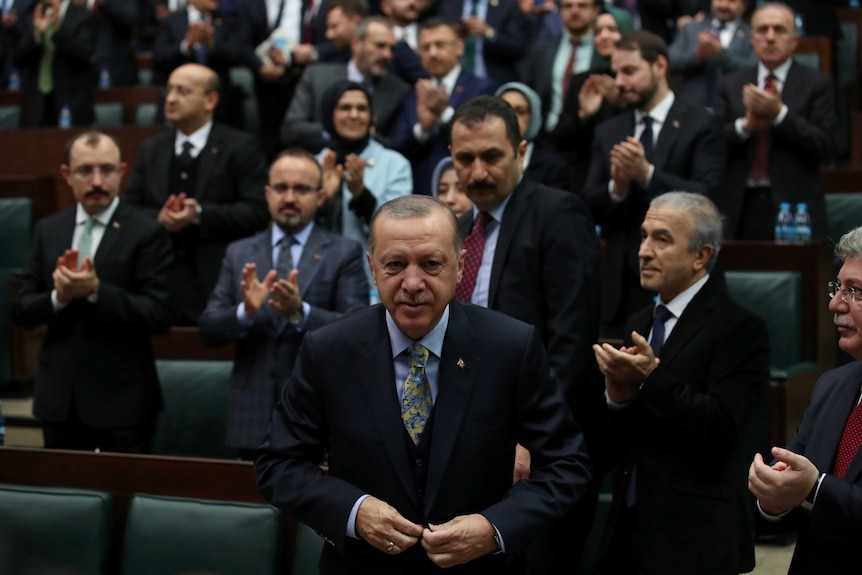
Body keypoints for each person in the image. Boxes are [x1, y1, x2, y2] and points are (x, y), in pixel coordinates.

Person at [255, 194, 592, 573]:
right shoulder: (328, 350)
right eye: (395, 265)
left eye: (431, 264)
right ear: (372, 268)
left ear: (460, 266)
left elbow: (566, 465)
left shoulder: (510, 347)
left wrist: (495, 528)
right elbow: (279, 464)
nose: (412, 283)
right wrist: (354, 511)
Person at [450, 94, 601, 573]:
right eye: (464, 159)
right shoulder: (457, 229)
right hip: (471, 431)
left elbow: (572, 343)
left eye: (491, 156)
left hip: (539, 443)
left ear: (521, 153)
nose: (477, 172)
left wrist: (534, 437)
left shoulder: (558, 214)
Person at [593, 191, 769, 574]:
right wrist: (618, 399)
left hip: (698, 535)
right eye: (643, 236)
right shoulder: (639, 323)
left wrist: (651, 379)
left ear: (701, 256)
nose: (643, 251)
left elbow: (723, 428)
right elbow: (616, 447)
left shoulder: (739, 328)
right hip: (629, 526)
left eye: (662, 239)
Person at [199, 150, 369, 460]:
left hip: (319, 419)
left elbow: (357, 331)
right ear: (267, 193)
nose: (289, 197)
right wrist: (245, 312)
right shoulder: (239, 253)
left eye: (301, 189)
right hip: (250, 420)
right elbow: (209, 328)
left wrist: (300, 313)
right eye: (281, 188)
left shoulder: (344, 252)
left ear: (320, 196)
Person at [11, 131, 175, 453]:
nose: (97, 181)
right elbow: (21, 310)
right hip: (58, 401)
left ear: (122, 172)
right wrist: (60, 297)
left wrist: (97, 290)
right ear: (66, 175)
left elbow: (160, 314)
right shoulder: (49, 229)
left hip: (121, 403)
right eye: (86, 171)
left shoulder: (147, 232)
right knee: (63, 498)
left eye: (107, 170)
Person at [582, 30, 725, 338]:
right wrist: (616, 188)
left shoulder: (700, 122)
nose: (619, 82)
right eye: (615, 72)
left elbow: (708, 197)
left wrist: (646, 174)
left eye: (629, 71)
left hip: (683, 279)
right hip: (620, 286)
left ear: (660, 66)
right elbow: (587, 204)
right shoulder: (609, 130)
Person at [748, 225, 862, 574]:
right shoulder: (832, 386)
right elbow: (792, 494)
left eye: (854, 291)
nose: (834, 303)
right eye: (838, 288)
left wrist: (815, 488)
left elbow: (812, 488)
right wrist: (773, 499)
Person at [125, 63, 269, 325]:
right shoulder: (151, 149)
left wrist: (200, 214)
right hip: (159, 277)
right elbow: (129, 210)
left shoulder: (240, 147)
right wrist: (159, 218)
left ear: (210, 100)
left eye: (182, 91)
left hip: (216, 276)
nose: (170, 99)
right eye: (168, 91)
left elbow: (258, 212)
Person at [716, 1, 835, 241]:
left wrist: (780, 114)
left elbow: (826, 146)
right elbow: (712, 143)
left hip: (795, 209)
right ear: (752, 38)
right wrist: (746, 125)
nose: (770, 37)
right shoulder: (730, 84)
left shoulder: (817, 84)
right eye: (762, 30)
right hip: (738, 206)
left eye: (779, 30)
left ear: (794, 39)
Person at [315, 80, 412, 280]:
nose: (354, 115)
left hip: (372, 279)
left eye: (362, 108)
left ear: (371, 118)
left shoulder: (394, 164)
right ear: (328, 114)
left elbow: (399, 230)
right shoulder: (312, 165)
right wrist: (321, 200)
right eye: (345, 108)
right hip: (318, 277)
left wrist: (361, 194)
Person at [391, 17, 496, 195]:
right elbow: (397, 151)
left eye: (440, 45)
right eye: (426, 47)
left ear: (459, 47)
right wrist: (422, 129)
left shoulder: (481, 88)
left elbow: (482, 138)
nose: (433, 53)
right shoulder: (413, 94)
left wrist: (444, 114)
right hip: (422, 192)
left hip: (468, 192)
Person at [282, 16, 411, 152]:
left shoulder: (398, 90)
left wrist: (366, 134)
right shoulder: (316, 76)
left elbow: (396, 144)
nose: (387, 55)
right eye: (380, 46)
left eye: (392, 49)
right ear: (356, 44)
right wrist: (337, 129)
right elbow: (291, 130)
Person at [551, 7, 629, 194]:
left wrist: (621, 103)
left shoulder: (638, 81)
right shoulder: (585, 81)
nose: (603, 36)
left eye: (612, 29)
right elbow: (560, 139)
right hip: (588, 176)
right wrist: (583, 115)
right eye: (598, 31)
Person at [153, 0, 245, 128]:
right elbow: (160, 57)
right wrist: (186, 45)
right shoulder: (171, 21)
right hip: (180, 98)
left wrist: (212, 44)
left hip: (221, 102)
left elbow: (237, 54)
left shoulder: (227, 21)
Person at [518, 0, 605, 135]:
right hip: (546, 136)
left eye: (583, 6)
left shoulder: (604, 52)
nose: (575, 11)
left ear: (595, 11)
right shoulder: (541, 50)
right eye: (568, 6)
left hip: (591, 136)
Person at [14, 0, 97, 126]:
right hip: (37, 103)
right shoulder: (35, 15)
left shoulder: (83, 15)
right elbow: (20, 59)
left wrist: (59, 31)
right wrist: (37, 36)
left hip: (70, 100)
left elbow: (84, 53)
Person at [669, 0, 755, 108]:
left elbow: (754, 67)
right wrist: (696, 57)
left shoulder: (751, 34)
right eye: (719, 0)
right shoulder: (691, 28)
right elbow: (670, 61)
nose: (723, 5)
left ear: (744, 6)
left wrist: (721, 55)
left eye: (732, 1)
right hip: (692, 106)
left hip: (733, 106)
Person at [495, 81, 570, 190]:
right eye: (504, 110)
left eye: (520, 111)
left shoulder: (553, 168)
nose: (512, 117)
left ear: (533, 117)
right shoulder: (478, 160)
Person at [436, 0, 526, 84]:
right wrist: (453, 32)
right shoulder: (448, 5)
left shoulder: (507, 5)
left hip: (494, 80)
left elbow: (518, 48)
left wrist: (489, 33)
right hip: (455, 82)